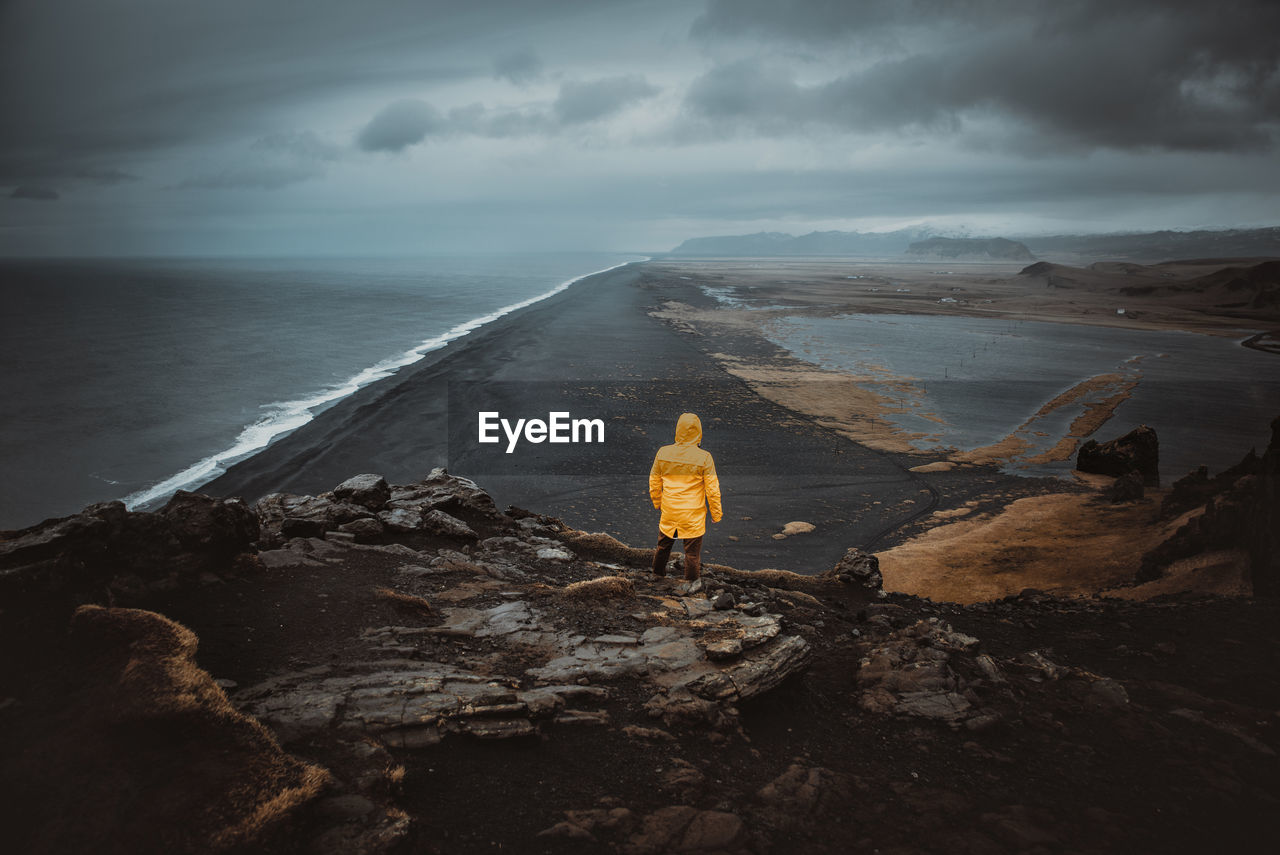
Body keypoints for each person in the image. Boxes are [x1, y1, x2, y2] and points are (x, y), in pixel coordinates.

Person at [648, 412, 723, 580]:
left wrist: (658, 502)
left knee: (663, 547)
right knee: (692, 555)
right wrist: (716, 513)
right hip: (692, 515)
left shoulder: (663, 453)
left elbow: (654, 481)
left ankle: (656, 576)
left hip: (670, 511)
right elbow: (712, 489)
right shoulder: (704, 458)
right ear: (698, 432)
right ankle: (691, 584)